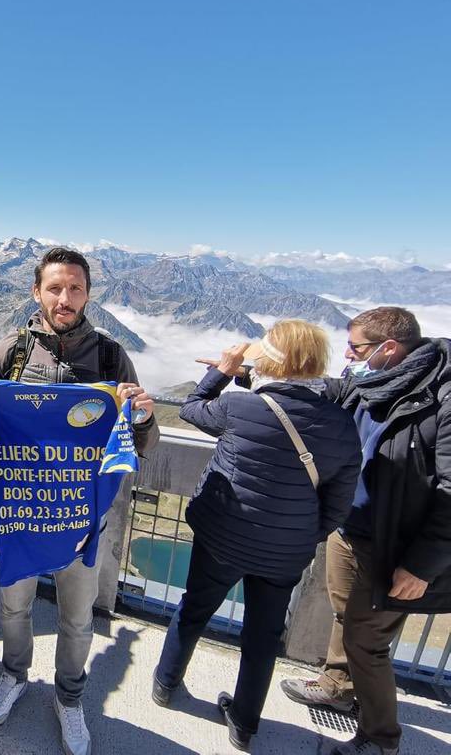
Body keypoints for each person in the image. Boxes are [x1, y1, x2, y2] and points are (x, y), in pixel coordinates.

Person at [0, 247, 158, 755]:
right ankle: (14, 676)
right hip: (24, 513)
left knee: (77, 616)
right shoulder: (11, 351)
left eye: (74, 288)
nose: (64, 298)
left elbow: (139, 442)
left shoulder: (113, 356)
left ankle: (69, 699)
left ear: (88, 293)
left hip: (81, 518)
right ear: (37, 292)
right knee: (15, 606)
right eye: (55, 287)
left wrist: (140, 417)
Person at [152, 321, 361, 752]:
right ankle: (244, 724)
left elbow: (193, 407)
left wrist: (225, 370)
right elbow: (337, 506)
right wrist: (298, 534)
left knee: (193, 610)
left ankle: (164, 684)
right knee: (262, 637)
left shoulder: (242, 408)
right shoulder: (342, 425)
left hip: (221, 538)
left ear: (269, 360)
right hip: (284, 555)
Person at [279, 307, 451, 755]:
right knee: (345, 615)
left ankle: (380, 739)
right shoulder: (375, 382)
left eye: (356, 347)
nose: (350, 356)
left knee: (367, 642)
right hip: (350, 526)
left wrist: (420, 566)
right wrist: (261, 374)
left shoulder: (442, 399)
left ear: (388, 348)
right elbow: (337, 388)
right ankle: (337, 684)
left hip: (395, 546)